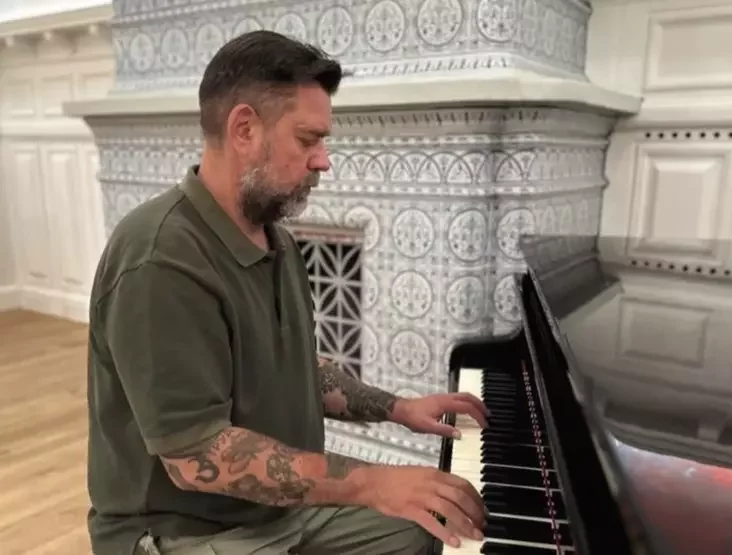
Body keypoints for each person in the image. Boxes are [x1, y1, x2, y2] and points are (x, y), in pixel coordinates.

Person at [86, 30, 489, 555]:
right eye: (307, 139)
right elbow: (196, 456)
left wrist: (399, 408)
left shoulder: (277, 242)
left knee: (436, 526)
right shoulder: (160, 259)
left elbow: (296, 369)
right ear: (245, 129)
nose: (323, 160)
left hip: (277, 513)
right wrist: (372, 483)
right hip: (184, 534)